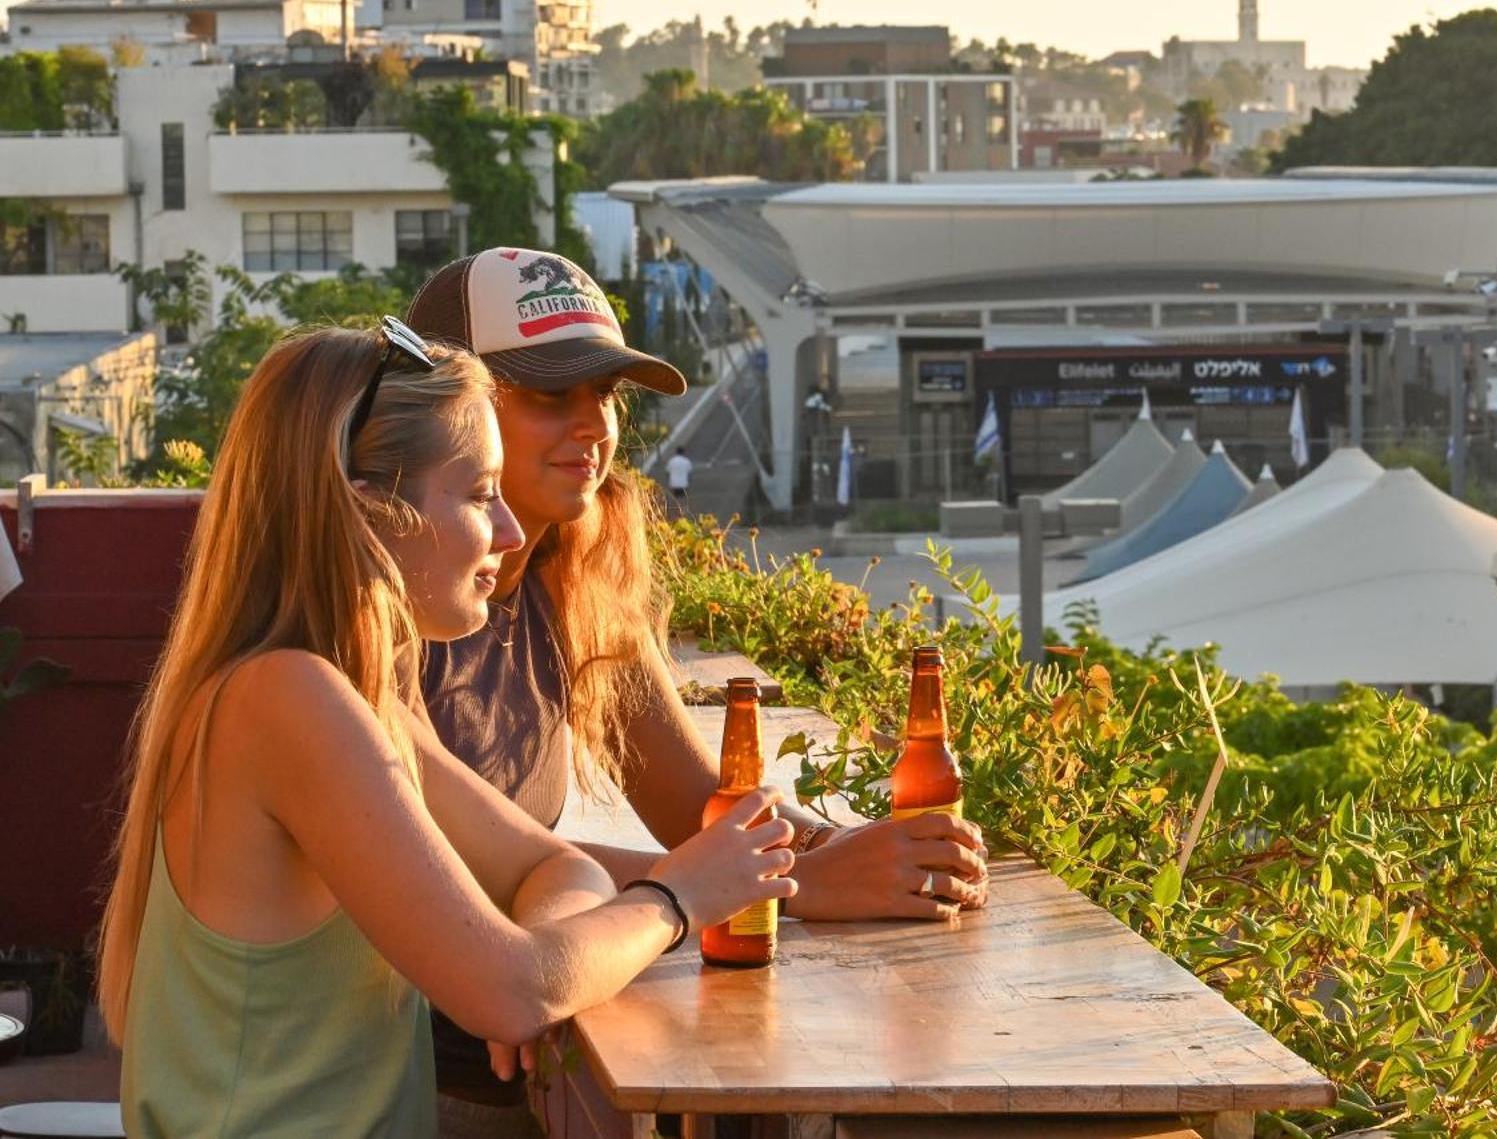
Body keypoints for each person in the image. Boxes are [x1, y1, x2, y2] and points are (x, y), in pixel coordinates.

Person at [97, 323, 795, 1137]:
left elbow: (552, 867)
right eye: (476, 494)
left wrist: (545, 962)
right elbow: (507, 989)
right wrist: (677, 899)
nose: (507, 531)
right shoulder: (286, 700)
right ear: (367, 515)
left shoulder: (356, 700)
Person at [406, 249, 990, 1120]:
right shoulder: (390, 604)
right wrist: (784, 887)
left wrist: (867, 854)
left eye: (606, 393)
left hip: (539, 1046)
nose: (596, 426)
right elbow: (439, 862)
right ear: (447, 413)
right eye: (551, 395)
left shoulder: (574, 573)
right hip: (427, 1075)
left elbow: (704, 810)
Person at [664, 444, 694, 514]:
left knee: (675, 497)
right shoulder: (686, 461)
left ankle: (675, 510)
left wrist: (668, 481)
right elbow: (689, 472)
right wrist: (689, 481)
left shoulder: (671, 461)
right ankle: (682, 510)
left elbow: (667, 472)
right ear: (683, 452)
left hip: (674, 482)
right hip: (683, 482)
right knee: (683, 497)